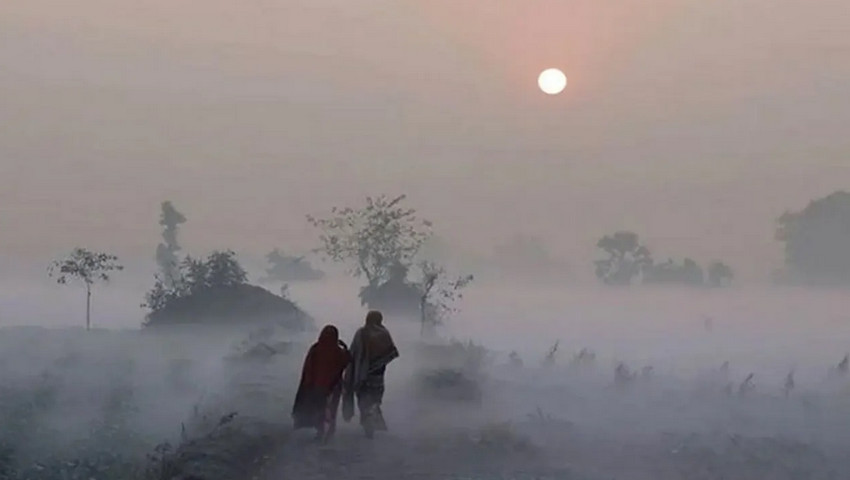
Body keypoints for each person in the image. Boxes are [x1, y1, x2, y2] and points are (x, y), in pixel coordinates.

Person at [342, 310, 399, 438]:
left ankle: (367, 424)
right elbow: (391, 354)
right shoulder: (384, 334)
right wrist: (377, 364)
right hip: (378, 375)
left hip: (362, 374)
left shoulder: (361, 333)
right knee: (374, 400)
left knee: (363, 400)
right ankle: (372, 422)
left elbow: (353, 352)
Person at [292, 325, 351, 442]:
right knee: (332, 409)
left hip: (317, 386)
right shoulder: (339, 352)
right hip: (334, 387)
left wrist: (308, 384)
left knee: (320, 409)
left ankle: (320, 432)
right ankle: (330, 431)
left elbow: (308, 367)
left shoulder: (315, 349)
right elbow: (348, 361)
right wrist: (345, 347)